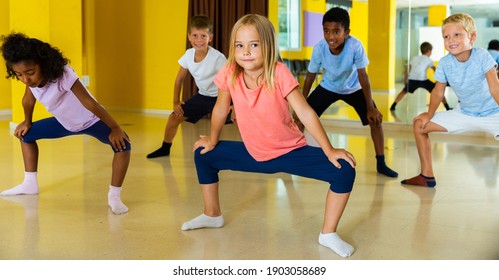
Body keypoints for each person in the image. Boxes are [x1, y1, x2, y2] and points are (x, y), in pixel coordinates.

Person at [181, 14, 357, 258]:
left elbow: (305, 112)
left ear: (268, 46)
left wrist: (329, 150)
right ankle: (212, 214)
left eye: (254, 45)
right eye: (239, 45)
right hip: (253, 153)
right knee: (202, 153)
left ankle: (328, 233)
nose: (246, 52)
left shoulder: (279, 72)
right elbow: (221, 108)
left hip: (289, 153)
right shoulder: (230, 71)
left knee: (344, 170)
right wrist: (212, 139)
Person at [0, 32, 131, 214]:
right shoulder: (30, 80)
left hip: (90, 120)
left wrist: (115, 128)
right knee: (26, 135)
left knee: (124, 145)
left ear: (43, 65)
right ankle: (29, 184)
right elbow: (28, 100)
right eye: (19, 74)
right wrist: (27, 122)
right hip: (64, 122)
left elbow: (89, 103)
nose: (25, 79)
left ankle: (114, 197)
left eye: (30, 73)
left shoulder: (63, 73)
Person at [296, 7, 398, 178]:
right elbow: (310, 76)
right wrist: (302, 103)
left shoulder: (355, 46)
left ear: (347, 32)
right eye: (326, 31)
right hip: (328, 86)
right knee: (301, 119)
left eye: (336, 32)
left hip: (353, 88)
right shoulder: (320, 48)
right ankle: (294, 158)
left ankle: (381, 163)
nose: (330, 36)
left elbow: (363, 76)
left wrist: (370, 107)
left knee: (375, 121)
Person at [401, 13, 499, 188]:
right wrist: (429, 115)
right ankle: (426, 175)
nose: (451, 40)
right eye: (446, 36)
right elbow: (438, 92)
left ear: (472, 37)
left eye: (457, 35)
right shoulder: (445, 63)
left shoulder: (482, 56)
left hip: (493, 114)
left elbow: (495, 88)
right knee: (419, 125)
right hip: (464, 113)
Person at [147, 15, 228, 159]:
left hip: (222, 96)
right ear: (189, 37)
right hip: (203, 96)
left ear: (211, 38)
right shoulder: (188, 55)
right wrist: (175, 102)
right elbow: (179, 80)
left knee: (240, 119)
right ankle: (165, 148)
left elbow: (231, 82)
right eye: (195, 35)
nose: (199, 40)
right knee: (173, 118)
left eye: (203, 36)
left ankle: (255, 148)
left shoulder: (218, 58)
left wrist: (234, 106)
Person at [390, 42, 451, 111]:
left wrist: (405, 80)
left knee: (403, 92)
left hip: (412, 79)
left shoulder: (415, 58)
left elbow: (407, 69)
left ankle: (393, 105)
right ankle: (447, 107)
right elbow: (435, 70)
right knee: (437, 91)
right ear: (429, 51)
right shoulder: (429, 60)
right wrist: (439, 80)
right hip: (423, 80)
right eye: (431, 51)